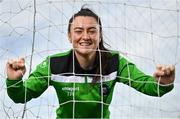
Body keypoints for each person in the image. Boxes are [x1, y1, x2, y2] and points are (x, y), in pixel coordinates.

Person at [6, 7, 175, 118]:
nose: (85, 37)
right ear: (69, 36)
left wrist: (163, 84)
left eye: (92, 31)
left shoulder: (114, 62)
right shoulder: (54, 64)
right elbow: (21, 95)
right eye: (78, 31)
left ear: (99, 35)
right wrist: (14, 80)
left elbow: (147, 85)